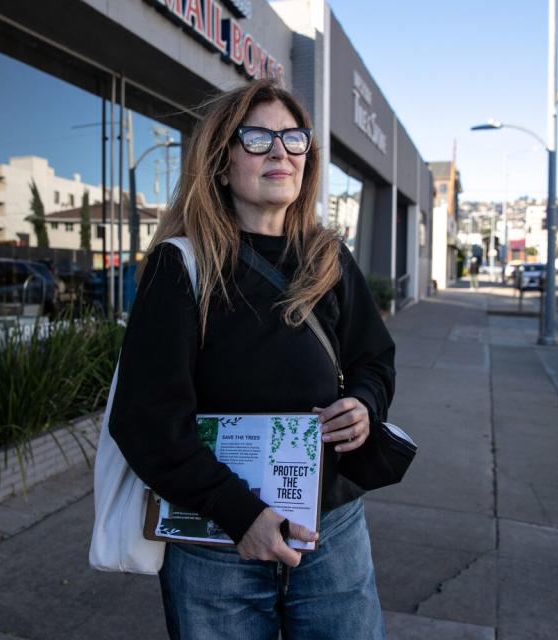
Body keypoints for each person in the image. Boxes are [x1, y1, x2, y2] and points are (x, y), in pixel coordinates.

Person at [108, 79, 395, 639]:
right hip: (218, 541)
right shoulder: (182, 265)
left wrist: (364, 403)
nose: (281, 150)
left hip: (330, 529)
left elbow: (374, 359)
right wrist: (241, 516)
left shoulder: (329, 257)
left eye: (293, 138)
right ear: (221, 163)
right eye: (258, 137)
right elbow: (146, 419)